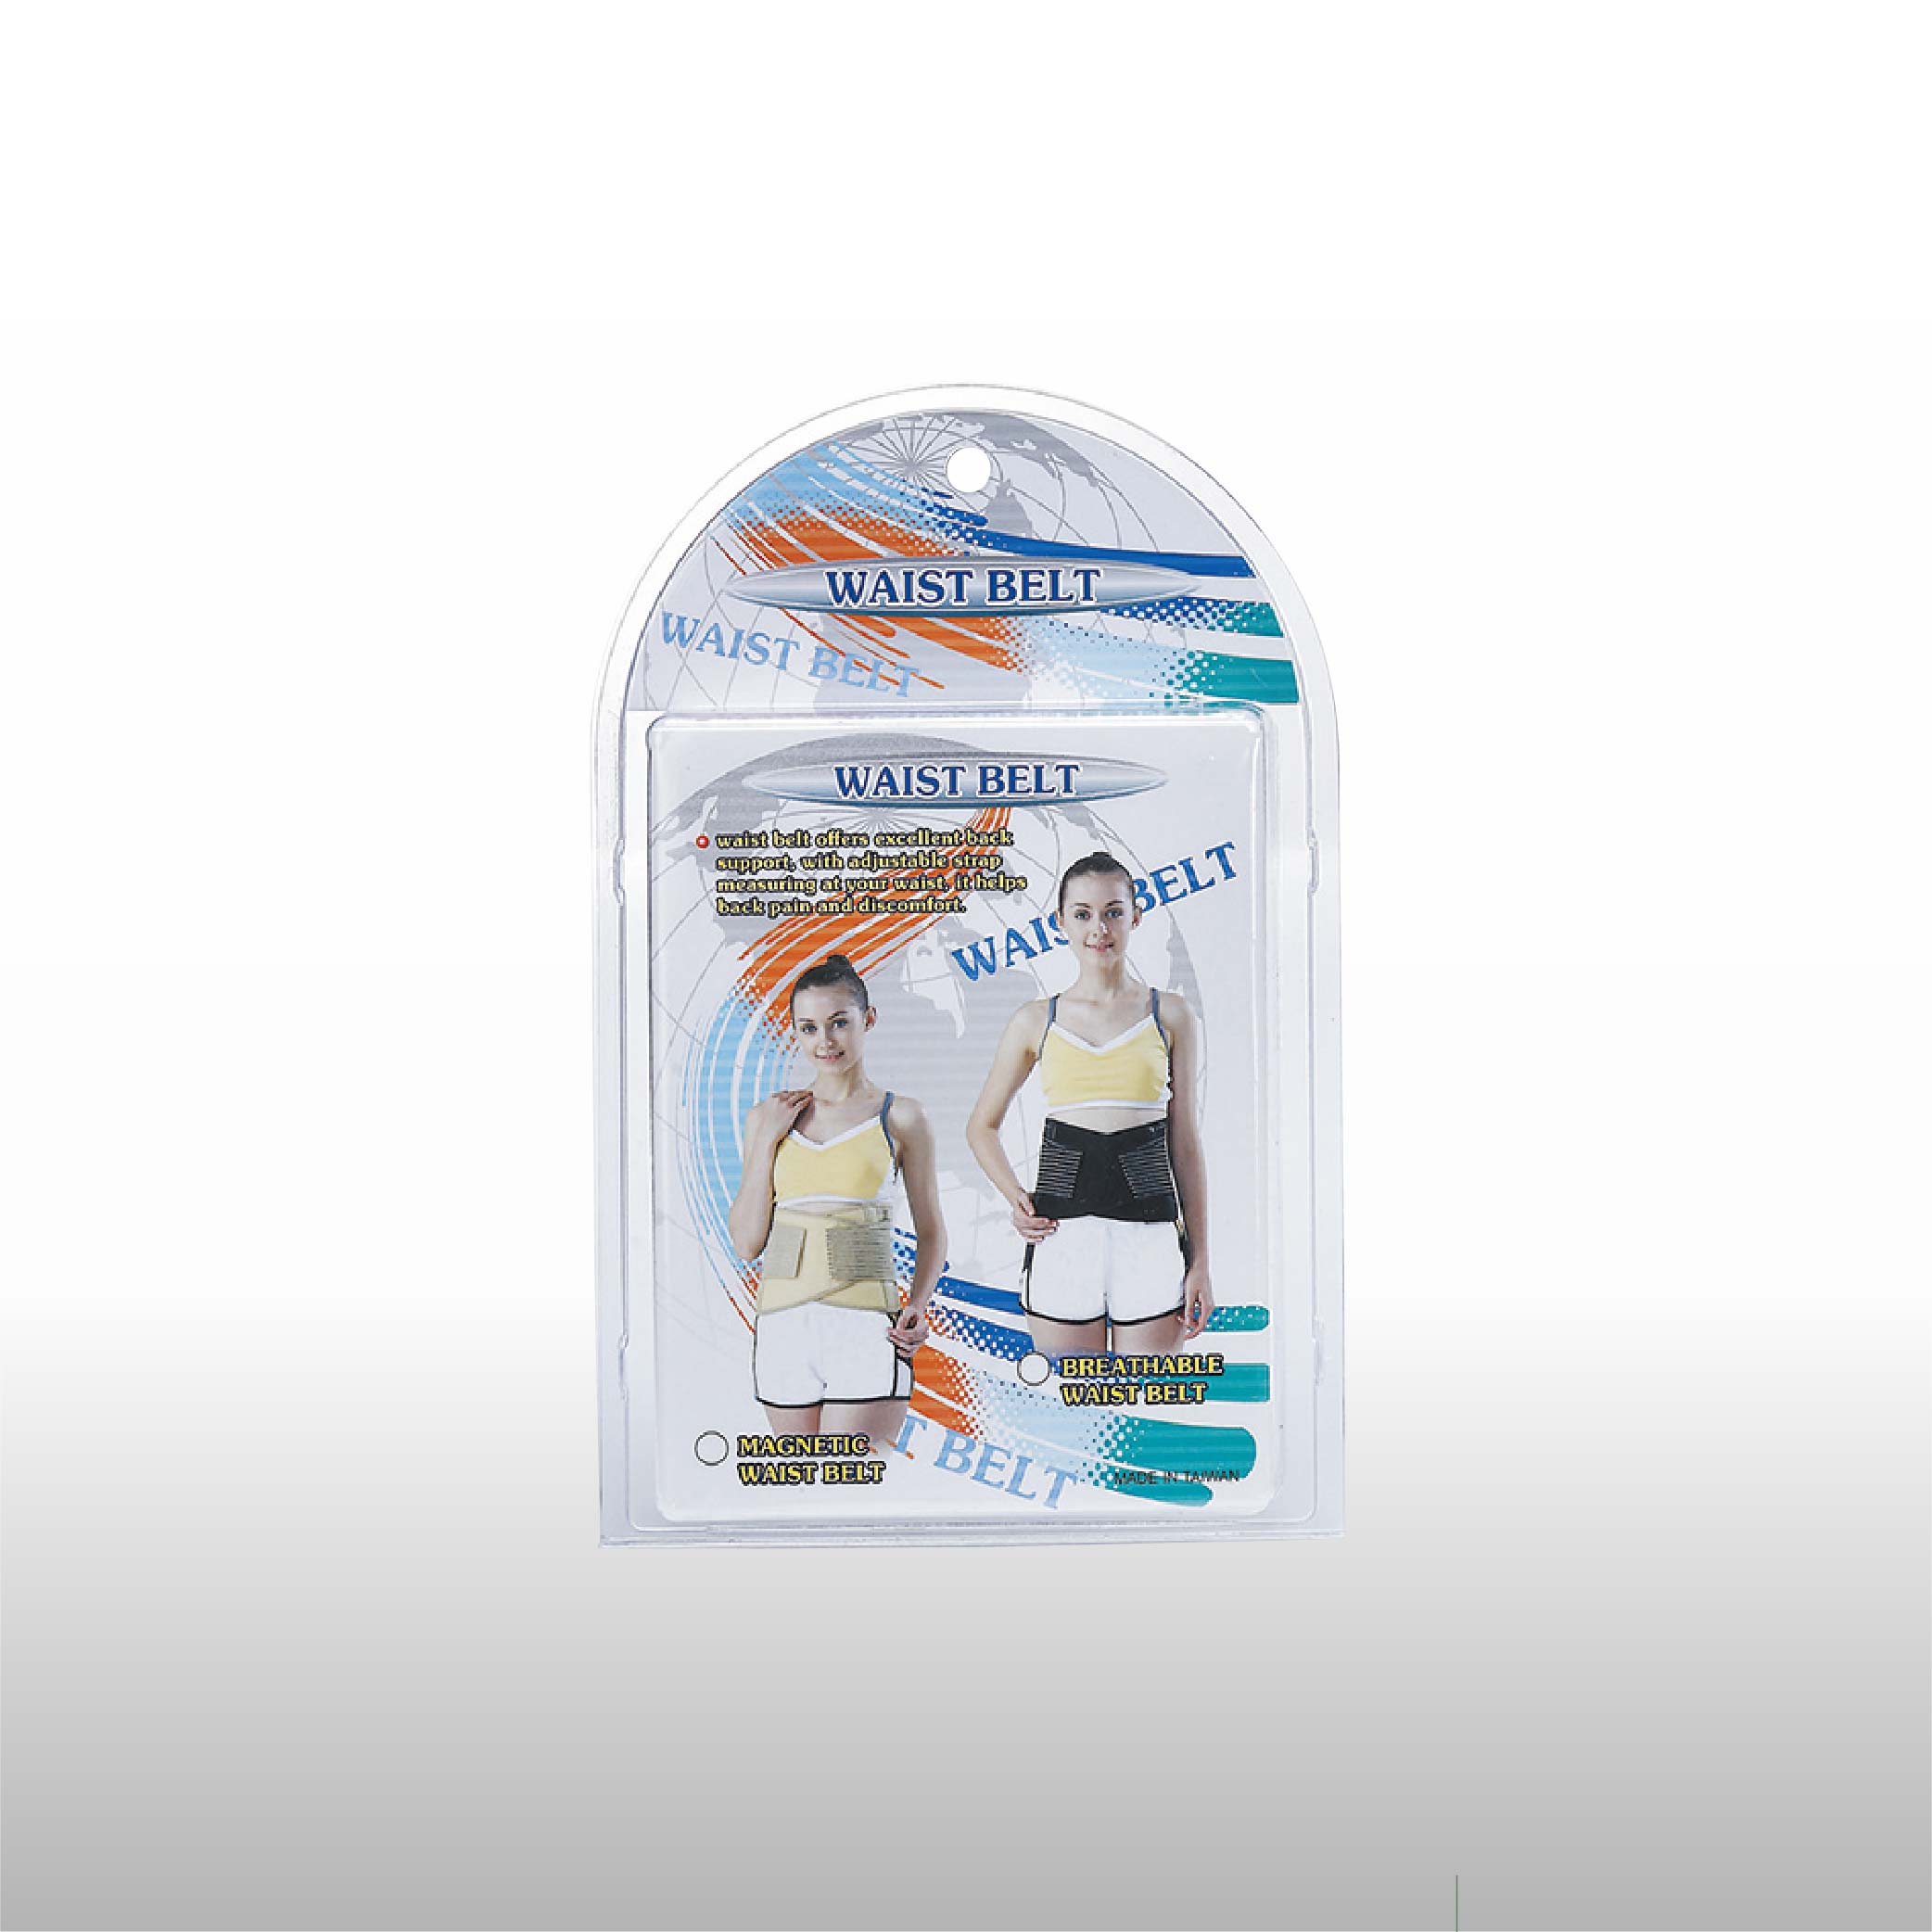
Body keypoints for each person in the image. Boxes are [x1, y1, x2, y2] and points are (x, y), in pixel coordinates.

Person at [967, 852, 1214, 1358]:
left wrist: (1201, 1261)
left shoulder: (1170, 1014)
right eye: (1082, 914)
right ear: (1060, 922)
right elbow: (981, 1127)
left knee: (1146, 1398)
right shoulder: (1035, 1020)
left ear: (1135, 916)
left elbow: (1185, 1142)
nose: (1099, 929)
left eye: (1112, 912)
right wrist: (1017, 1199)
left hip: (1151, 1238)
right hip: (1063, 1239)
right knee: (1075, 1399)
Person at [728, 953, 944, 1443]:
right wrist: (766, 1142)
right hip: (782, 1329)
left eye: (839, 1023)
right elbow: (746, 1243)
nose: (824, 1041)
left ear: (869, 1019)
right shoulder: (768, 1117)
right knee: (799, 1484)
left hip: (867, 1325)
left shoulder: (901, 1116)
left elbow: (931, 1229)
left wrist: (919, 1303)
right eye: (808, 1028)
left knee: (857, 1478)